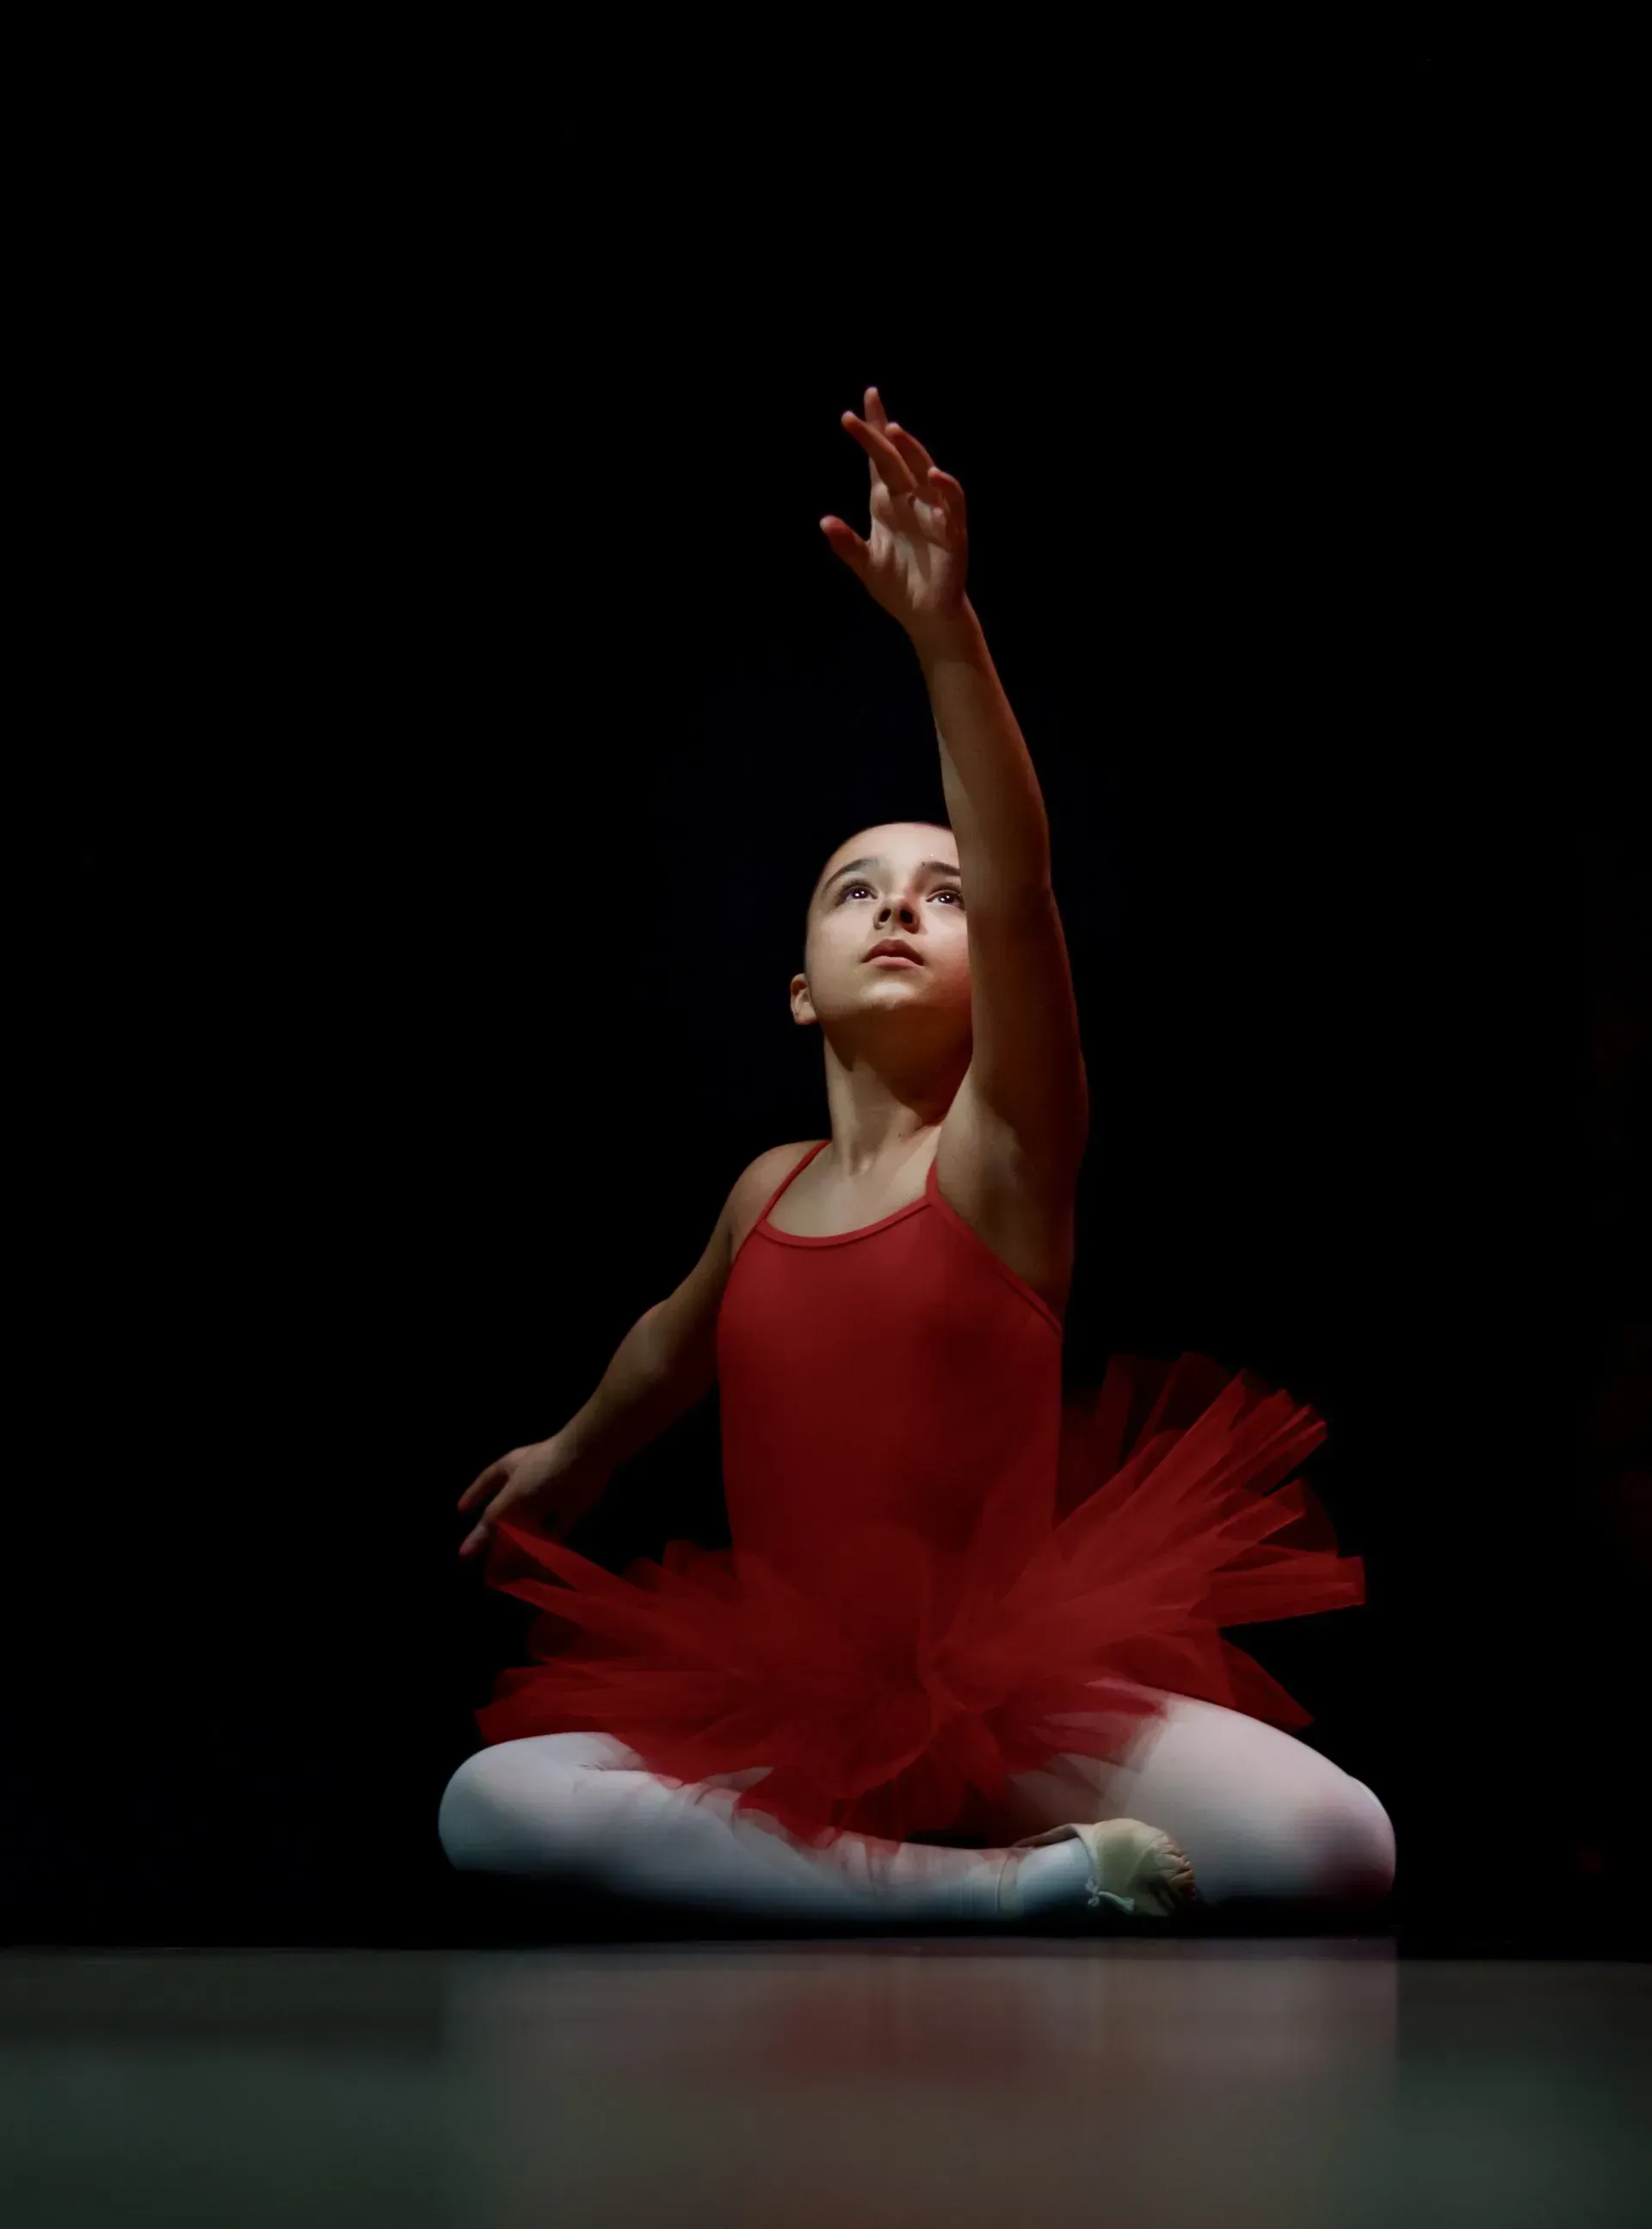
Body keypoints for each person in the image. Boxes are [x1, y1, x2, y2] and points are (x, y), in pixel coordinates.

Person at [439, 389, 1396, 1927]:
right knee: (485, 1802)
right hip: (781, 1706)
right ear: (804, 979)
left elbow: (1024, 889)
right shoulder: (765, 1190)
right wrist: (578, 1451)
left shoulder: (1007, 1156)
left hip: (1013, 1705)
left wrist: (947, 639)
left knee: (1341, 1839)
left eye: (936, 895)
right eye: (856, 887)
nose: (902, 906)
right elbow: (669, 1349)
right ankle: (983, 1894)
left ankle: (945, 1863)